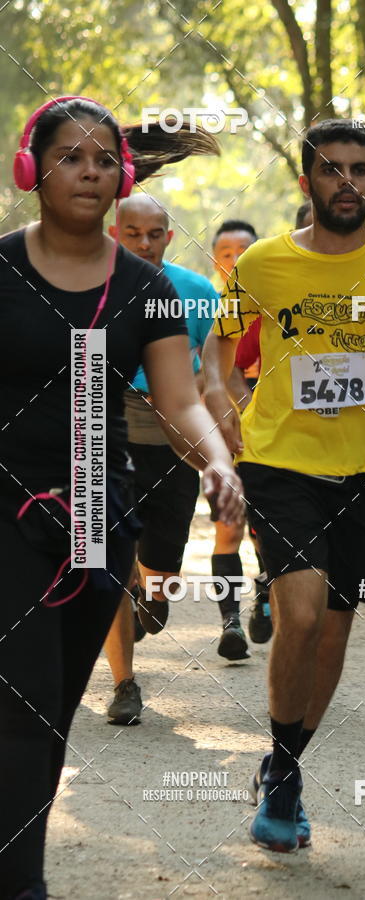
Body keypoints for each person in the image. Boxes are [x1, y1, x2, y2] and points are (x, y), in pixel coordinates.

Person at [0, 96, 244, 900]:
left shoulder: (150, 289)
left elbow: (180, 400)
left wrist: (218, 462)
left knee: (49, 714)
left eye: (104, 159)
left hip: (96, 518)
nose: (89, 172)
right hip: (6, 511)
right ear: (32, 170)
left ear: (123, 176)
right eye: (69, 157)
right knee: (22, 705)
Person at [202, 118, 365, 852]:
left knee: (334, 630)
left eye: (359, 169)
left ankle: (283, 765)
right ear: (307, 182)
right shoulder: (263, 263)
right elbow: (218, 348)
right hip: (280, 461)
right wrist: (224, 405)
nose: (347, 182)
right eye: (331, 169)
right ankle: (285, 781)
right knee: (303, 613)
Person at [101, 193, 221, 725]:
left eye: (155, 235)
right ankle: (124, 684)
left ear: (169, 237)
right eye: (133, 235)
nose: (145, 245)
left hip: (174, 440)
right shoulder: (91, 287)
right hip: (110, 433)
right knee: (109, 561)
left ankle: (149, 589)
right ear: (115, 233)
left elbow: (215, 370)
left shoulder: (195, 292)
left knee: (161, 573)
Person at [210, 220, 273, 653]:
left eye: (243, 253)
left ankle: (265, 597)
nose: (234, 261)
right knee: (228, 527)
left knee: (270, 528)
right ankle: (229, 622)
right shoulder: (208, 305)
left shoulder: (276, 300)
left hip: (278, 433)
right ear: (215, 261)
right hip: (225, 431)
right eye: (226, 254)